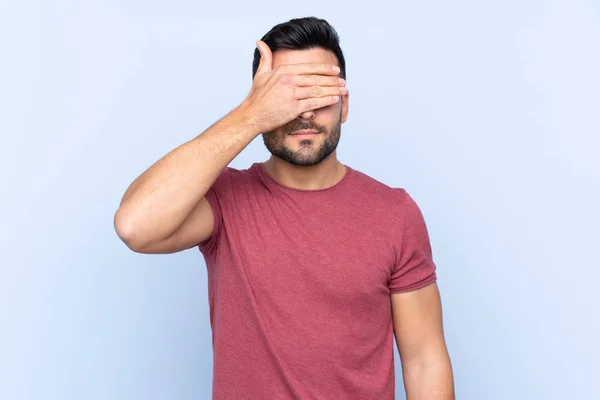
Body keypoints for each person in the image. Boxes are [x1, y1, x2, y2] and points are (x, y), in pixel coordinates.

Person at [114, 16, 454, 400]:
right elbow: (135, 225)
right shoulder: (225, 199)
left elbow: (424, 358)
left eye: (319, 95)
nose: (305, 112)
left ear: (344, 105)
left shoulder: (396, 213)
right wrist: (251, 115)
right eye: (289, 95)